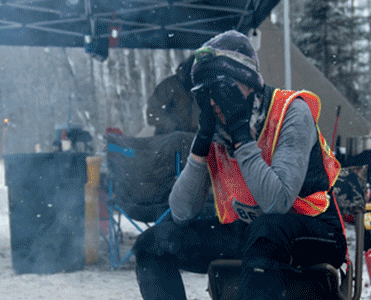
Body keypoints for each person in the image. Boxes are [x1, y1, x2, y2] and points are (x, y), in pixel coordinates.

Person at [132, 30, 347, 300]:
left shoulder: (290, 112)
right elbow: (182, 213)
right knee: (152, 245)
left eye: (221, 90)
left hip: (315, 231)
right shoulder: (218, 130)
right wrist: (200, 148)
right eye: (205, 94)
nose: (214, 103)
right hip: (252, 233)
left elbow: (276, 202)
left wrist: (241, 135)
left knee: (266, 230)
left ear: (247, 83)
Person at [146, 55, 200, 135]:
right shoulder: (168, 86)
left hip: (194, 140)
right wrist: (171, 125)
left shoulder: (203, 89)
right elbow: (152, 113)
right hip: (169, 139)